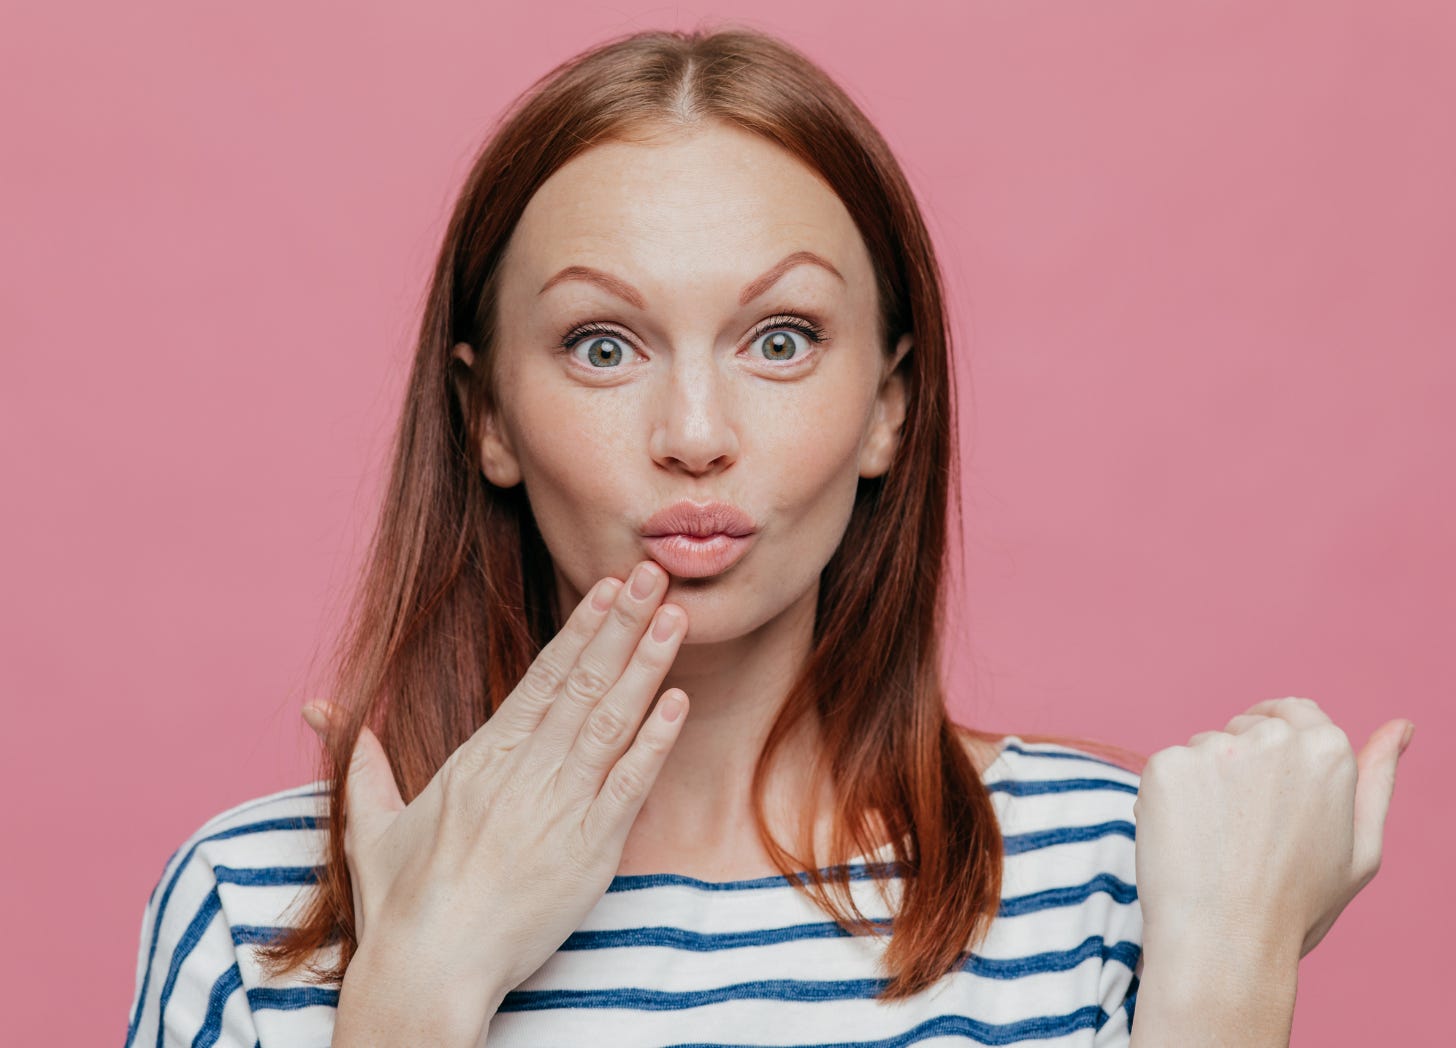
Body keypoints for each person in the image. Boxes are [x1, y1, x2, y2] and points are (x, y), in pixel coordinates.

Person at [123, 25, 1414, 1048]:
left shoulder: (1128, 877)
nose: (696, 434)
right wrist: (415, 993)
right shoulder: (253, 906)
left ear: (888, 409)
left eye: (781, 340)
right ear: (488, 418)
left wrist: (1227, 983)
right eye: (603, 346)